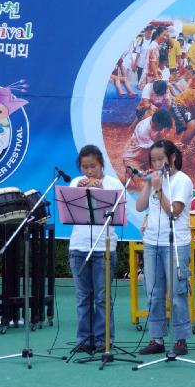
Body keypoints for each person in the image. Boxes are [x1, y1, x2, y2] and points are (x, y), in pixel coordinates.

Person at [135, 140, 195, 356]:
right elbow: (140, 206)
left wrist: (159, 190)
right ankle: (156, 338)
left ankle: (180, 339)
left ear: (172, 158)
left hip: (175, 243)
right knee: (153, 293)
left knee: (178, 293)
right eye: (153, 160)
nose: (157, 163)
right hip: (152, 242)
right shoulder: (154, 181)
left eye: (161, 159)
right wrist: (149, 185)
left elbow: (174, 212)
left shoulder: (182, 180)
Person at [68, 145, 125, 353]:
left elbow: (119, 214)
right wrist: (81, 191)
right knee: (83, 297)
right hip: (79, 246)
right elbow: (70, 209)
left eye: (92, 166)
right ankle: (84, 340)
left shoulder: (113, 184)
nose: (89, 171)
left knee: (102, 297)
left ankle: (103, 341)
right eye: (84, 167)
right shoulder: (76, 182)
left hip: (104, 247)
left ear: (101, 163)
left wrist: (100, 192)